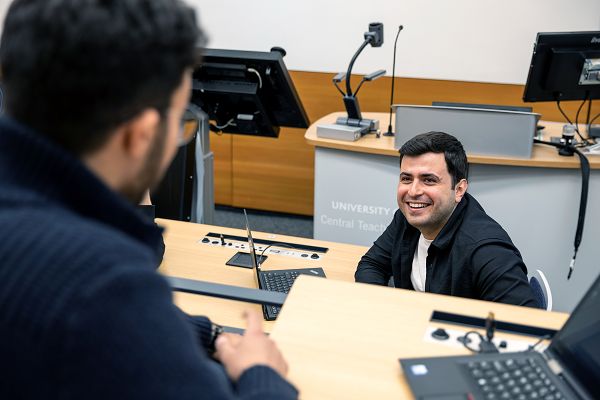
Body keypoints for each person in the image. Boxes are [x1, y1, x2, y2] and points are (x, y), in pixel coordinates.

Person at [0, 0, 297, 399]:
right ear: (139, 135)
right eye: (180, 122)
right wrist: (262, 374)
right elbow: (105, 303)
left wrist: (202, 332)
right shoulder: (103, 283)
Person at [355, 131, 539, 307]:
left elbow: (526, 323)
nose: (413, 191)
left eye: (429, 180)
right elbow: (372, 265)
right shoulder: (407, 218)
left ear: (459, 190)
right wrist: (383, 310)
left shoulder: (487, 250)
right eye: (406, 179)